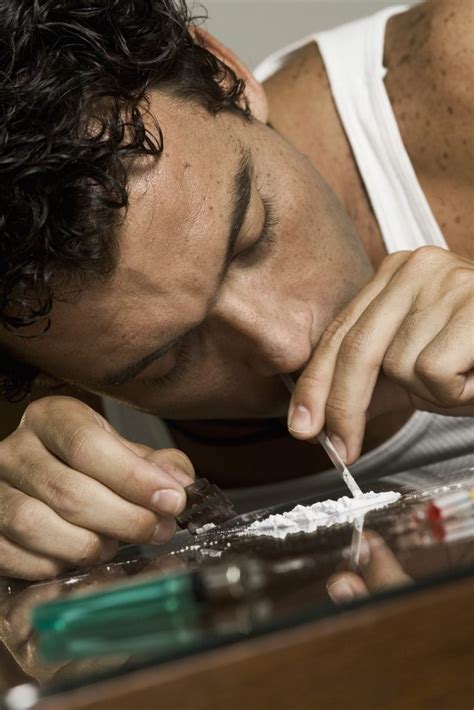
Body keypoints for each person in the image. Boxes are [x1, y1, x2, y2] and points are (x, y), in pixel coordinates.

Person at [0, 0, 472, 581]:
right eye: (166, 360)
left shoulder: (458, 78)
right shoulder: (40, 378)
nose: (287, 344)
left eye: (252, 233)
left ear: (225, 74)